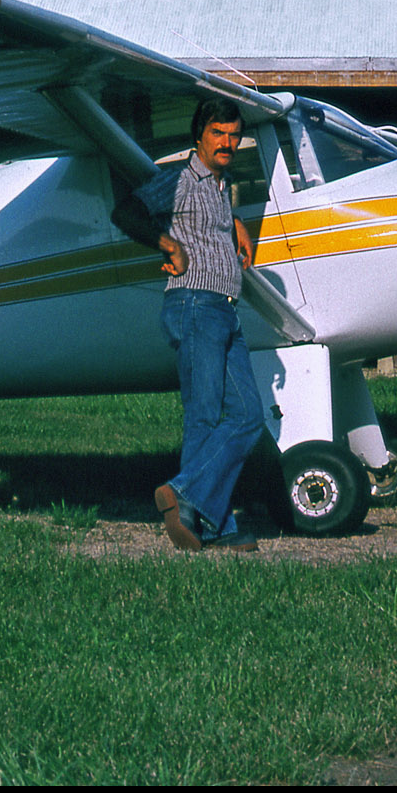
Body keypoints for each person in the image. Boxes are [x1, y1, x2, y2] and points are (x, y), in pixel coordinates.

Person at [111, 97, 265, 552]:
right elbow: (127, 213)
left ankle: (192, 501)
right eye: (218, 133)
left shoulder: (221, 184)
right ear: (199, 135)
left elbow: (206, 221)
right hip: (194, 304)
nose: (228, 143)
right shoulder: (178, 178)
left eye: (234, 135)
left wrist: (234, 220)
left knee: (247, 416)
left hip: (224, 307)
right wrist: (167, 245)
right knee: (203, 414)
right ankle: (202, 519)